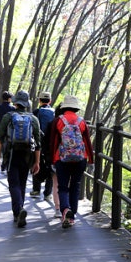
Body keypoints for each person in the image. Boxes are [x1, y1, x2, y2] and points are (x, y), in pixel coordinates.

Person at [0, 90, 41, 228]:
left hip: (11, 153)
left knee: (13, 183)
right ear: (27, 104)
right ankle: (19, 210)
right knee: (22, 182)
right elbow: (38, 143)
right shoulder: (33, 119)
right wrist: (37, 162)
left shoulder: (8, 117)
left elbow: (0, 139)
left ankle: (18, 211)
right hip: (27, 154)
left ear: (15, 102)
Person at [50, 95, 94, 229]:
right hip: (80, 158)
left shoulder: (58, 120)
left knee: (62, 187)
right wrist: (91, 160)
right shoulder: (82, 122)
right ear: (76, 108)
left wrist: (52, 159)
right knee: (75, 185)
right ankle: (72, 216)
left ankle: (64, 210)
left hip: (61, 158)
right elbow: (87, 141)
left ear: (64, 107)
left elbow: (53, 142)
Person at [30, 91, 55, 199]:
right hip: (51, 143)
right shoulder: (54, 113)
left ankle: (36, 189)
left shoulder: (36, 112)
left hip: (38, 141)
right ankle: (48, 193)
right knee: (50, 165)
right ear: (50, 101)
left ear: (39, 100)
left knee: (36, 161)